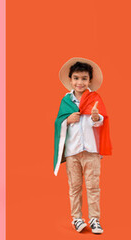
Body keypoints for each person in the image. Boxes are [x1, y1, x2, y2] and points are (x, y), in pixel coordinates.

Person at [52, 58, 112, 234]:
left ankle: (94, 219)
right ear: (70, 80)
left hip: (92, 151)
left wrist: (95, 117)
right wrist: (67, 120)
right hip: (72, 152)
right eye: (76, 78)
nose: (80, 82)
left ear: (90, 80)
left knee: (93, 186)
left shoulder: (95, 99)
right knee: (75, 186)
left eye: (84, 78)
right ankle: (77, 218)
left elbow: (102, 122)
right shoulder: (66, 101)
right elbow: (58, 122)